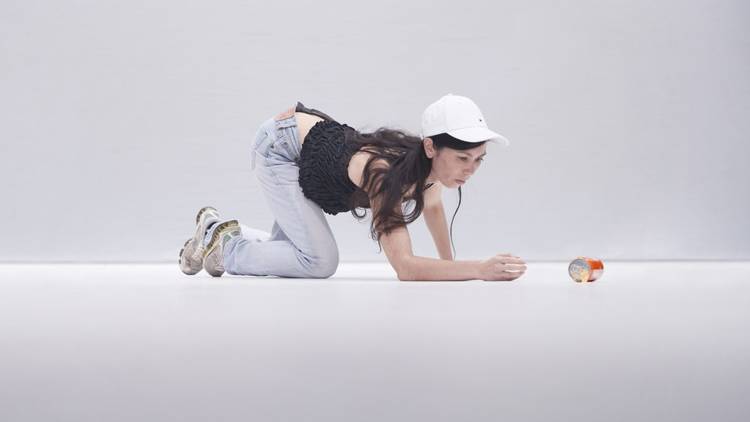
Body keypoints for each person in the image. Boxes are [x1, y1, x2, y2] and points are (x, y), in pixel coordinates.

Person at [178, 94, 527, 281]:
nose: (471, 170)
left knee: (290, 252)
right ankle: (226, 246)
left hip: (308, 148)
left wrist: (452, 268)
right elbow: (405, 267)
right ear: (432, 147)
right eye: (463, 158)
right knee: (318, 261)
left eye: (479, 160)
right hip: (280, 148)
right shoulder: (386, 175)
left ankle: (214, 229)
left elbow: (433, 205)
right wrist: (479, 270)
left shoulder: (426, 169)